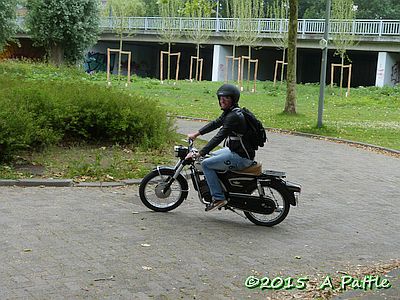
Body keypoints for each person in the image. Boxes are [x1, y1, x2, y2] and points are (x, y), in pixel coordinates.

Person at [186, 84, 256, 212]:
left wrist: (200, 153)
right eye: (220, 97)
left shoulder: (234, 116)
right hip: (235, 151)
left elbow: (218, 137)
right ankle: (221, 186)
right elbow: (215, 123)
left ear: (233, 100)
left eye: (226, 98)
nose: (222, 100)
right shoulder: (231, 112)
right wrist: (197, 134)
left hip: (241, 157)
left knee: (206, 164)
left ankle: (218, 198)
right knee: (210, 158)